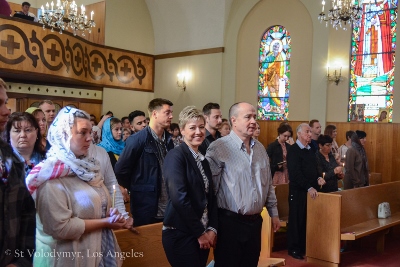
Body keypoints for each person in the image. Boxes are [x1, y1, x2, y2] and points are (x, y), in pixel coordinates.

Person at [26, 107, 126, 266]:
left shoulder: (89, 168)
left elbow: (95, 203)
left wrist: (109, 212)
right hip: (62, 259)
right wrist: (106, 222)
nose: (89, 138)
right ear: (64, 135)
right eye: (82, 132)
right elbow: (60, 228)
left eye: (90, 132)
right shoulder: (49, 176)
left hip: (91, 255)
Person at [206, 102, 280, 267]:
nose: (253, 121)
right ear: (234, 120)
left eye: (254, 116)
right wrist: (211, 226)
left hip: (254, 223)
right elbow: (210, 191)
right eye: (248, 117)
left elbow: (267, 185)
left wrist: (273, 213)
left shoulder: (260, 148)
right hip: (229, 223)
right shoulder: (219, 148)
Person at [162, 106, 218, 267]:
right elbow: (179, 198)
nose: (198, 132)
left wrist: (212, 229)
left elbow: (211, 197)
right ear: (182, 130)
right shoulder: (176, 156)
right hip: (180, 233)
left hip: (201, 233)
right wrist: (200, 232)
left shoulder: (203, 159)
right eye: (192, 128)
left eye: (201, 127)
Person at [115, 98, 174, 226]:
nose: (171, 116)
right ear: (154, 114)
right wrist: (138, 187)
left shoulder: (169, 140)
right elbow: (120, 170)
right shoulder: (137, 140)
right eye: (167, 112)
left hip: (168, 205)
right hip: (146, 206)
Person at [0, 78, 36, 267]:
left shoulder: (10, 158)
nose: (6, 110)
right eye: (0, 103)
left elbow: (26, 214)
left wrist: (20, 262)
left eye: (5, 103)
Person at [286, 123, 325, 260]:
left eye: (310, 131)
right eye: (307, 131)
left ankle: (303, 246)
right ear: (299, 134)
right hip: (298, 192)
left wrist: (319, 177)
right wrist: (308, 187)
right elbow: (295, 173)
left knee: (306, 220)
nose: (310, 134)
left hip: (310, 191)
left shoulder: (310, 150)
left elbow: (315, 168)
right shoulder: (294, 150)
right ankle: (293, 248)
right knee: (297, 220)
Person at [6, 112, 46, 177]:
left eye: (28, 130)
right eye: (17, 131)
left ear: (36, 132)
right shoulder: (3, 162)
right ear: (9, 134)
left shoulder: (48, 159)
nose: (23, 135)